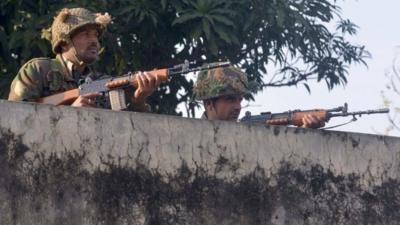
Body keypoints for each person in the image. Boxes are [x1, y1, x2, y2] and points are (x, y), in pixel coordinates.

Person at [8, 7, 160, 111]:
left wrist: (139, 99)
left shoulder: (102, 81)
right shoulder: (38, 70)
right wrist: (70, 114)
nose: (95, 41)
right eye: (86, 34)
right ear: (65, 41)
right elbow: (17, 118)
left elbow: (126, 130)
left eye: (95, 35)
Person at [193, 66, 325, 128]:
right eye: (230, 99)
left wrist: (304, 132)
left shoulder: (250, 133)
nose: (238, 107)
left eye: (240, 100)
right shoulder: (191, 135)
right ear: (208, 103)